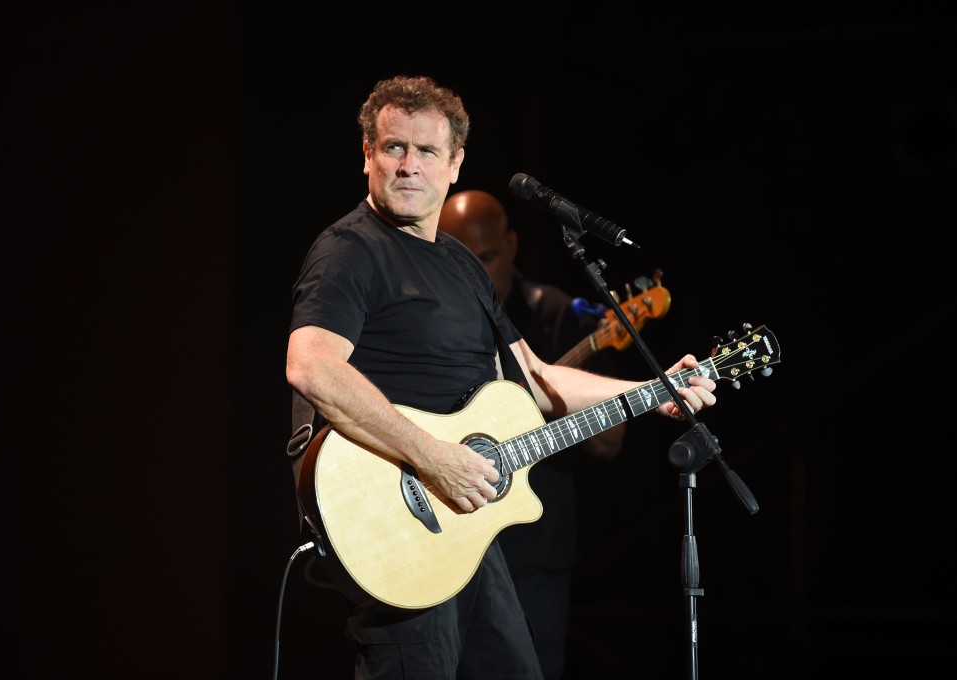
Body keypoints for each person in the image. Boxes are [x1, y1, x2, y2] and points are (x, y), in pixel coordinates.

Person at [285, 74, 717, 680]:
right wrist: (433, 457)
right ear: (367, 156)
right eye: (393, 148)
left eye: (427, 151)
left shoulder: (462, 264)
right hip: (399, 518)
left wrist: (653, 393)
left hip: (460, 526)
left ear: (455, 163)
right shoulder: (349, 251)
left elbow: (536, 380)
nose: (409, 165)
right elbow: (311, 366)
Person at [438, 189, 625, 679]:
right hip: (448, 538)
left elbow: (611, 443)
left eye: (489, 256)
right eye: (462, 257)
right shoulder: (432, 318)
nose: (477, 270)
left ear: (513, 245)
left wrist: (553, 411)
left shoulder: (560, 313)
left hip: (534, 549)